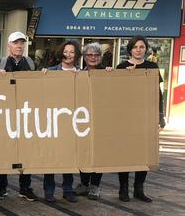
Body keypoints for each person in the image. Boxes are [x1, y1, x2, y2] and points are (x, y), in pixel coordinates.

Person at [116, 35, 164, 203]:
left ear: (145, 49)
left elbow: (157, 93)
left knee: (143, 153)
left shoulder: (152, 67)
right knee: (125, 154)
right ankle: (123, 188)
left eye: (141, 47)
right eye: (135, 47)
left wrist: (160, 116)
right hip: (126, 118)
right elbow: (115, 93)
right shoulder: (121, 67)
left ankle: (139, 188)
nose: (138, 49)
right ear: (130, 49)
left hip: (146, 117)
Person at [0, 32, 38, 201]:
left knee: (26, 152)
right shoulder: (2, 62)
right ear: (9, 45)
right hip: (6, 114)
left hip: (25, 113)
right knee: (3, 150)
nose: (19, 45)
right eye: (15, 42)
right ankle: (1, 186)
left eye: (21, 42)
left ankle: (25, 187)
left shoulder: (31, 63)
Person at [41, 40, 81, 203]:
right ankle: (49, 190)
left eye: (72, 52)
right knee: (51, 157)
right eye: (66, 51)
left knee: (69, 157)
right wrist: (42, 75)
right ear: (61, 52)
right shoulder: (50, 71)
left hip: (72, 121)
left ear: (76, 54)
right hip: (53, 119)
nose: (69, 54)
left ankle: (68, 189)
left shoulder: (81, 73)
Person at [75, 42, 112, 200]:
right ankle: (84, 183)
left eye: (96, 55)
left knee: (99, 153)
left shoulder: (107, 73)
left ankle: (95, 185)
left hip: (102, 119)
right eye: (89, 55)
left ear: (100, 57)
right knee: (84, 150)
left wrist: (112, 73)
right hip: (83, 119)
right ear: (84, 57)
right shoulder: (78, 73)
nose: (93, 58)